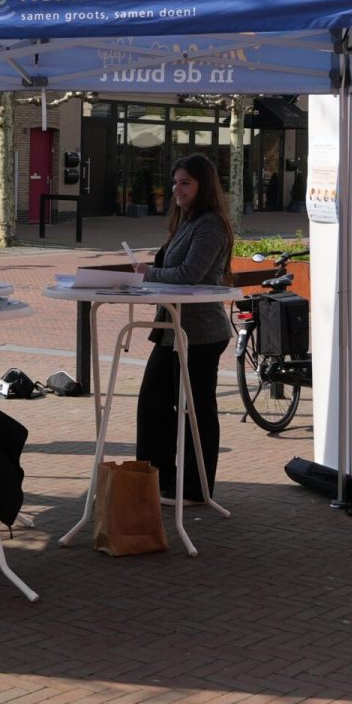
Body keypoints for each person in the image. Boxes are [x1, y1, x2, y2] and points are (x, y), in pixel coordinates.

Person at [129, 153, 233, 504]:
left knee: (195, 410)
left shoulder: (210, 224)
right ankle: (158, 480)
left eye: (185, 182)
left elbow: (191, 273)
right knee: (153, 403)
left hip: (200, 333)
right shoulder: (187, 221)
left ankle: (195, 488)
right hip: (172, 329)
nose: (177, 189)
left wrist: (149, 274)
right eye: (175, 182)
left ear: (203, 185)